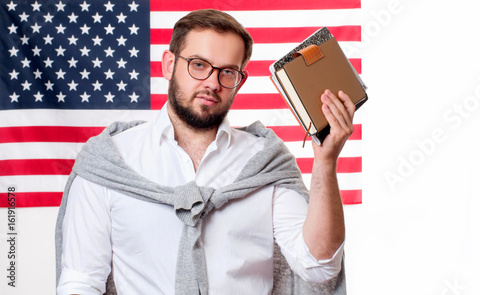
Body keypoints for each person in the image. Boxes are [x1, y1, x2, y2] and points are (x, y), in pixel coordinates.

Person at [55, 9, 355, 295]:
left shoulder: (265, 162)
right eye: (198, 64)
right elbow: (80, 281)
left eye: (227, 72)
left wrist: (325, 162)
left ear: (239, 81)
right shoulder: (111, 160)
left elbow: (318, 265)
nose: (212, 83)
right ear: (169, 64)